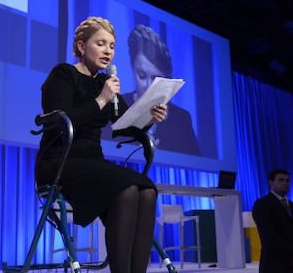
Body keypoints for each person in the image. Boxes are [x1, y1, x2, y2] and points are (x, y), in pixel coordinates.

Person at [35, 16, 167, 273]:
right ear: (82, 47)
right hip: (60, 162)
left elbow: (127, 125)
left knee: (148, 189)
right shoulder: (63, 74)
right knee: (127, 189)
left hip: (92, 163)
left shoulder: (104, 84)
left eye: (112, 45)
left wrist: (151, 117)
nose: (108, 51)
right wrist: (101, 99)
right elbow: (61, 123)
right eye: (101, 43)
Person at [103, 24, 201, 156]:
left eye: (155, 78)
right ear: (133, 68)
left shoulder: (181, 119)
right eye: (142, 75)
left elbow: (193, 160)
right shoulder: (115, 107)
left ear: (167, 78)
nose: (148, 85)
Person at [252, 168, 293, 273]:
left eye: (287, 180)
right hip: (274, 265)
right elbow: (269, 238)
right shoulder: (262, 204)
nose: (285, 183)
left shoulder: (292, 205)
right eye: (281, 180)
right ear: (270, 182)